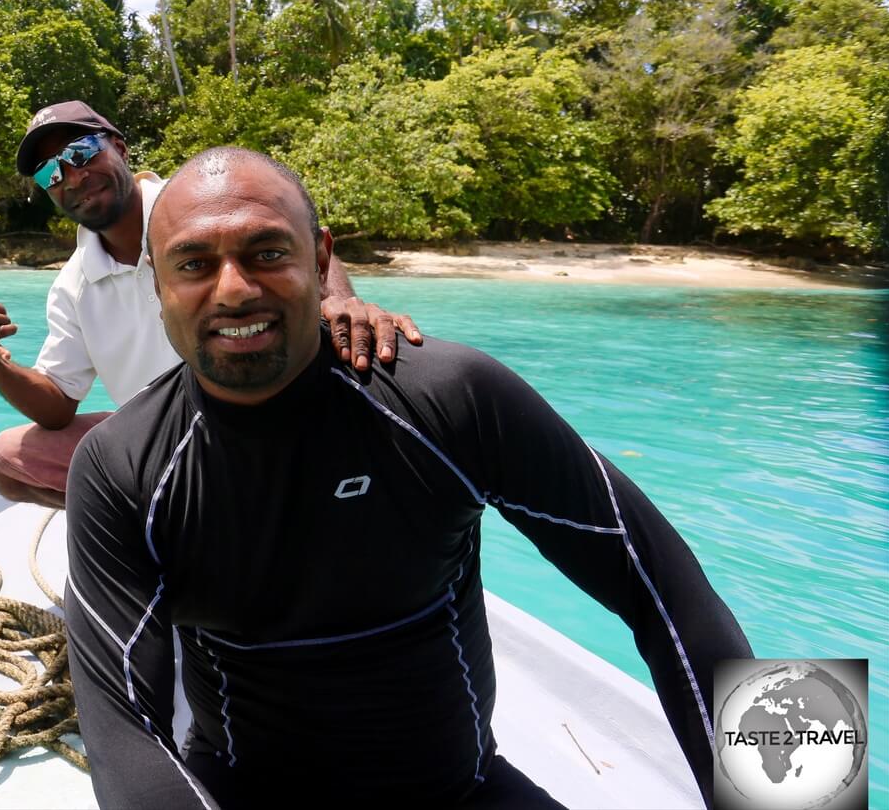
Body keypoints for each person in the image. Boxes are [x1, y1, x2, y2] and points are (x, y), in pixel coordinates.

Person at [63, 147, 752, 809]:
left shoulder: (449, 399)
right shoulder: (125, 467)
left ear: (322, 256)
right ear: (158, 285)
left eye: (268, 252)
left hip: (457, 794)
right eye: (194, 263)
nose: (235, 289)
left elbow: (663, 583)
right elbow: (123, 727)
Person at [0, 101, 421, 509]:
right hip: (167, 438)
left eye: (80, 153)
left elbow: (299, 242)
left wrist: (341, 301)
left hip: (274, 412)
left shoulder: (195, 202)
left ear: (119, 148)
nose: (71, 176)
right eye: (49, 173)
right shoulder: (73, 286)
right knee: (7, 460)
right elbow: (58, 406)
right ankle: (165, 519)